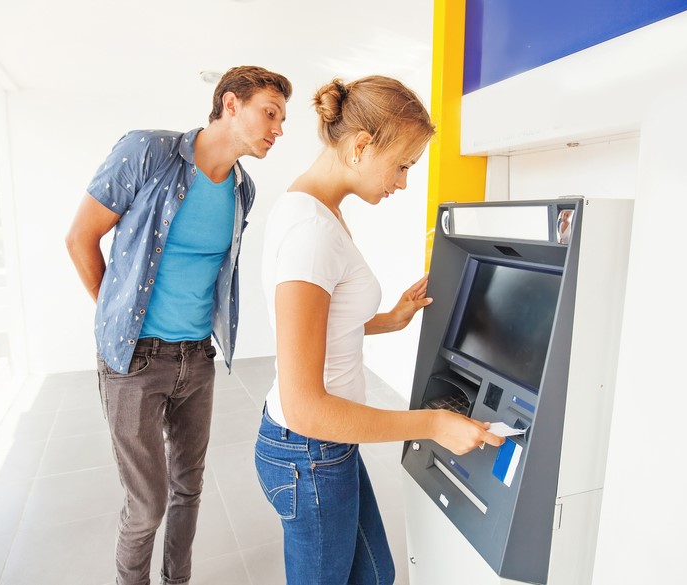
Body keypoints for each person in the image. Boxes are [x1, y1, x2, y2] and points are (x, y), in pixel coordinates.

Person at [254, 75, 505, 585]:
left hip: (324, 447)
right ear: (362, 146)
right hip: (309, 450)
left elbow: (317, 325)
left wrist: (390, 319)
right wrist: (431, 424)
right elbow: (306, 407)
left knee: (374, 574)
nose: (403, 182)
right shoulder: (311, 232)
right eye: (403, 165)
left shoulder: (315, 208)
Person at [65, 65, 292, 585]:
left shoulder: (243, 189)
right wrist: (117, 317)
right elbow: (80, 238)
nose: (278, 129)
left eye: (282, 120)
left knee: (188, 489)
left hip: (197, 357)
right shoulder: (148, 151)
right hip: (135, 358)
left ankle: (177, 579)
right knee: (147, 505)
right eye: (271, 113)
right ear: (230, 104)